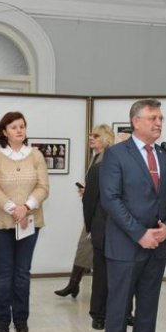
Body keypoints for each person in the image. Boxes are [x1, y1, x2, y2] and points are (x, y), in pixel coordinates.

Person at [99, 99, 166, 332]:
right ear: (136, 121)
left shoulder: (163, 156)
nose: (158, 123)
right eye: (153, 118)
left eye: (161, 118)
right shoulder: (116, 155)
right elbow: (110, 199)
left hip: (158, 246)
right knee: (119, 306)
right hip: (125, 246)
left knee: (149, 304)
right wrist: (140, 233)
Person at [0, 111, 49, 332]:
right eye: (13, 127)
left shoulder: (36, 155)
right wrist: (13, 209)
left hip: (30, 222)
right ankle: (2, 320)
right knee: (3, 272)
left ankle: (21, 319)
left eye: (22, 126)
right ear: (4, 132)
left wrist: (26, 208)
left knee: (22, 272)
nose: (19, 130)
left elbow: (43, 187)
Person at [53, 126, 112, 299]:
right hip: (94, 212)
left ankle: (75, 285)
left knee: (88, 248)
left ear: (105, 138)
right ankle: (73, 285)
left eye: (95, 136)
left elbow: (110, 187)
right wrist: (88, 191)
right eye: (90, 135)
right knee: (84, 247)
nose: (91, 138)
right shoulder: (96, 157)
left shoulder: (108, 158)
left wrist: (90, 192)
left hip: (103, 215)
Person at [80, 124, 116, 330]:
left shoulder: (120, 166)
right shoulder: (97, 168)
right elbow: (89, 201)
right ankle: (98, 314)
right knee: (101, 273)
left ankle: (122, 312)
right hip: (102, 227)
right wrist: (91, 228)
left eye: (95, 136)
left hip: (122, 230)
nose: (91, 139)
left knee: (122, 275)